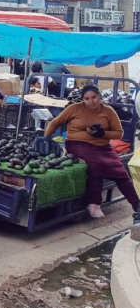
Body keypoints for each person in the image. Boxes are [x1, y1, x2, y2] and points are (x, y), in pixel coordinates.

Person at [45, 85, 140, 224]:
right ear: (83, 99)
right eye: (87, 98)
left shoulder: (108, 111)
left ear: (99, 96)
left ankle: (138, 206)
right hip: (77, 144)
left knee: (121, 172)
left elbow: (119, 133)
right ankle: (93, 203)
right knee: (96, 164)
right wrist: (46, 137)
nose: (91, 101)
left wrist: (103, 134)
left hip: (103, 147)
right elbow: (55, 122)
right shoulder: (74, 108)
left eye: (94, 97)